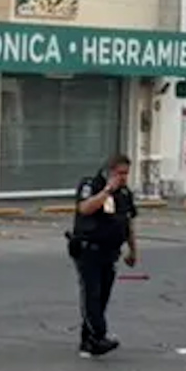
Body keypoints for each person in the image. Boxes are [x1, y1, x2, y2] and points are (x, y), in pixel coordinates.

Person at [69, 153, 138, 358]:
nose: (123, 177)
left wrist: (133, 249)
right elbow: (85, 208)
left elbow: (128, 223)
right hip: (88, 249)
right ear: (109, 171)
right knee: (92, 294)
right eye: (119, 173)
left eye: (126, 173)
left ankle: (88, 341)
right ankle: (98, 335)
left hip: (110, 251)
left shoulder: (124, 193)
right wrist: (108, 190)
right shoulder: (91, 185)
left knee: (103, 297)